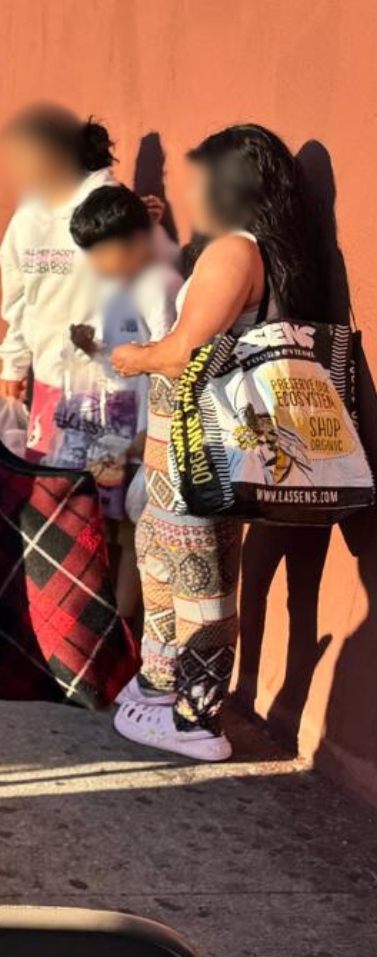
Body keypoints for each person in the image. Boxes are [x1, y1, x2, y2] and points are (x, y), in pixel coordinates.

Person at [110, 123, 319, 763]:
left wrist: (136, 356)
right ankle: (159, 686)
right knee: (166, 557)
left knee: (200, 576)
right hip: (187, 455)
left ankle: (197, 720)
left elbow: (186, 353)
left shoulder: (235, 251)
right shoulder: (266, 253)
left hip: (198, 452)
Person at [64, 184, 182, 618]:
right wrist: (90, 346)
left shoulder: (157, 285)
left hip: (143, 429)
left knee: (135, 532)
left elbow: (169, 356)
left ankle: (123, 628)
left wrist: (151, 433)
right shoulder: (116, 285)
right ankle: (110, 622)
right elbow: (122, 354)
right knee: (110, 526)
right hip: (111, 426)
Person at [0, 105, 121, 461]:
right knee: (100, 484)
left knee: (52, 485)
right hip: (109, 380)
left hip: (51, 372)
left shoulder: (28, 216)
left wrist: (14, 363)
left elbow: (17, 295)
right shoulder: (116, 211)